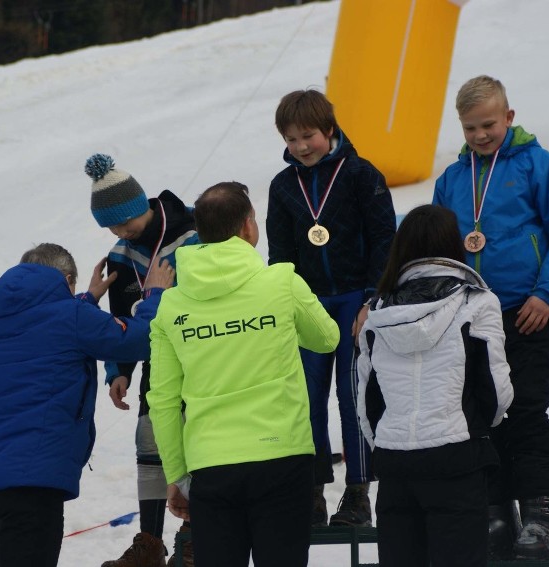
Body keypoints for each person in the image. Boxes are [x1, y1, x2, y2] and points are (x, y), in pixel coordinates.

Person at [433, 75, 549, 560]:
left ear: (509, 118)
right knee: (479, 418)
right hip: (469, 320)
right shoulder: (452, 179)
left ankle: (541, 516)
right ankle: (496, 514)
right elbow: (438, 248)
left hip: (525, 315)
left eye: (489, 124)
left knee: (525, 411)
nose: (480, 135)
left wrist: (547, 295)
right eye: (470, 127)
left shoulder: (538, 165)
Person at [147, 182, 340, 567]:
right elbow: (327, 338)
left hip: (211, 464)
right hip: (282, 456)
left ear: (200, 234)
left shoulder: (171, 304)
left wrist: (177, 475)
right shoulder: (281, 281)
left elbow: (163, 400)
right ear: (249, 227)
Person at [0, 243, 174, 567]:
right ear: (67, 279)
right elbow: (138, 339)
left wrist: (88, 299)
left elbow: (48, 329)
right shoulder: (73, 317)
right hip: (30, 480)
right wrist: (155, 295)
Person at [356, 204, 514, 567]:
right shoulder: (478, 302)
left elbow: (366, 399)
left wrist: (386, 442)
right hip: (456, 458)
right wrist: (475, 429)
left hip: (395, 462)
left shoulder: (376, 311)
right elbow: (497, 392)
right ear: (453, 245)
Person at [266, 88, 396, 526]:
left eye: (308, 136)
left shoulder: (362, 174)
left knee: (352, 394)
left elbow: (384, 240)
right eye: (291, 139)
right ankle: (313, 491)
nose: (301, 147)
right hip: (308, 305)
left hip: (356, 301)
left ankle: (358, 494)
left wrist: (372, 299)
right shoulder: (283, 186)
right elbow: (280, 254)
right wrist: (284, 305)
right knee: (305, 398)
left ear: (330, 130)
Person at [83, 153, 199, 567]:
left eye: (123, 222)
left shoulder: (190, 238)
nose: (119, 231)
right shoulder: (121, 252)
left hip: (200, 356)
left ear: (141, 207)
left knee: (196, 443)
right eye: (110, 226)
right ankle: (149, 543)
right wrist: (118, 371)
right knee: (149, 442)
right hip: (157, 361)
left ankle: (194, 536)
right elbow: (119, 321)